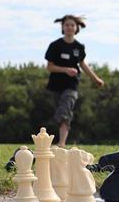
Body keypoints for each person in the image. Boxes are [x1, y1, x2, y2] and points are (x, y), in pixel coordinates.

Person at [45, 15, 104, 147]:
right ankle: (57, 140)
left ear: (76, 28)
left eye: (72, 25)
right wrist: (66, 70)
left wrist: (95, 78)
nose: (70, 27)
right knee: (61, 113)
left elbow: (83, 64)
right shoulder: (55, 45)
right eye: (67, 25)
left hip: (71, 86)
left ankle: (61, 143)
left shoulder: (79, 47)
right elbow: (49, 67)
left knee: (65, 110)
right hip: (55, 86)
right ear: (62, 27)